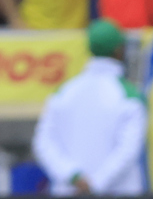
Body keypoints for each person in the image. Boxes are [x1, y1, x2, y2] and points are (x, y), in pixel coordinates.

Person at [32, 20, 147, 196]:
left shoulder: (64, 92)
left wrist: (74, 177)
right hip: (116, 191)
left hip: (71, 191)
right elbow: (129, 149)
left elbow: (44, 143)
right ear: (119, 50)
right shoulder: (130, 95)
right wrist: (95, 184)